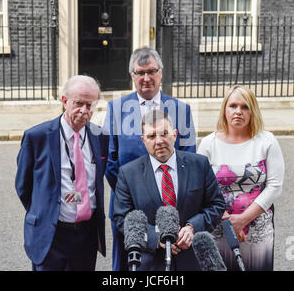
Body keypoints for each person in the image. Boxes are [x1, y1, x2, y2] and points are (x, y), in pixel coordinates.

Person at [104, 46, 196, 271]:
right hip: (128, 207)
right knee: (128, 266)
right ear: (132, 75)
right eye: (140, 73)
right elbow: (110, 160)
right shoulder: (116, 109)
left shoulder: (181, 109)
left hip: (171, 204)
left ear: (161, 73)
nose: (146, 78)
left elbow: (189, 158)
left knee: (169, 265)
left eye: (151, 71)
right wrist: (134, 195)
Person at [15, 75, 109, 271]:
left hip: (86, 237)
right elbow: (24, 186)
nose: (84, 111)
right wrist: (46, 209)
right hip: (51, 236)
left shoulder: (101, 137)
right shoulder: (37, 137)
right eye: (78, 103)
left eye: (90, 105)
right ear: (65, 101)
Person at [113, 110, 226, 271]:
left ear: (174, 134)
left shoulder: (199, 165)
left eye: (164, 134)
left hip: (193, 260)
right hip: (151, 264)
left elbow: (216, 205)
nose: (159, 141)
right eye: (151, 136)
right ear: (143, 140)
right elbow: (122, 218)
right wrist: (156, 238)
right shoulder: (128, 173)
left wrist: (192, 227)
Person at [198, 85, 285, 271]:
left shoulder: (267, 141)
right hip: (218, 229)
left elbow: (274, 186)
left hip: (257, 233)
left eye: (245, 107)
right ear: (224, 109)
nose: (238, 111)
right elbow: (200, 186)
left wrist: (243, 219)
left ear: (253, 111)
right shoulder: (208, 144)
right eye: (233, 106)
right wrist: (225, 219)